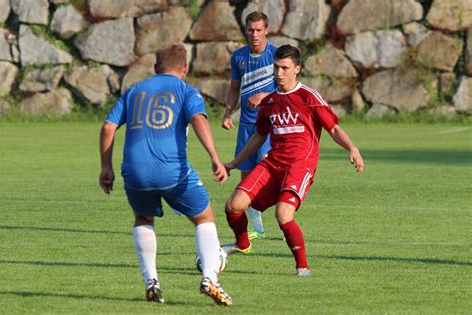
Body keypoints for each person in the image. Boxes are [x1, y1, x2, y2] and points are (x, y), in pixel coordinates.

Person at [99, 44, 233, 306]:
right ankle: (210, 278)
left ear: (155, 67)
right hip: (172, 171)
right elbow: (198, 120)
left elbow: (108, 127)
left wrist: (106, 167)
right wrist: (215, 158)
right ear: (184, 68)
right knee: (204, 217)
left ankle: (152, 281)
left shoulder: (134, 91)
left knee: (143, 218)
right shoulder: (186, 90)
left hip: (134, 172)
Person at [222, 45, 364, 276]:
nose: (279, 73)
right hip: (273, 163)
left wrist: (352, 148)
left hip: (300, 164)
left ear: (296, 69)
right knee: (233, 206)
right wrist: (235, 162)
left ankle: (302, 267)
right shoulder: (269, 102)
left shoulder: (308, 97)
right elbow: (259, 136)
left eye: (285, 68)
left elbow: (333, 128)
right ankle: (242, 244)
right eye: (276, 67)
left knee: (283, 214)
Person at [222, 11, 278, 240]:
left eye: (258, 30)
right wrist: (227, 114)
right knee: (246, 180)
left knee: (265, 176)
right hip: (245, 126)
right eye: (250, 30)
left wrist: (264, 95)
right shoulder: (238, 57)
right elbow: (234, 88)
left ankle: (285, 218)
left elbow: (286, 90)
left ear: (266, 30)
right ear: (246, 31)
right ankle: (258, 228)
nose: (254, 34)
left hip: (268, 126)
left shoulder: (276, 55)